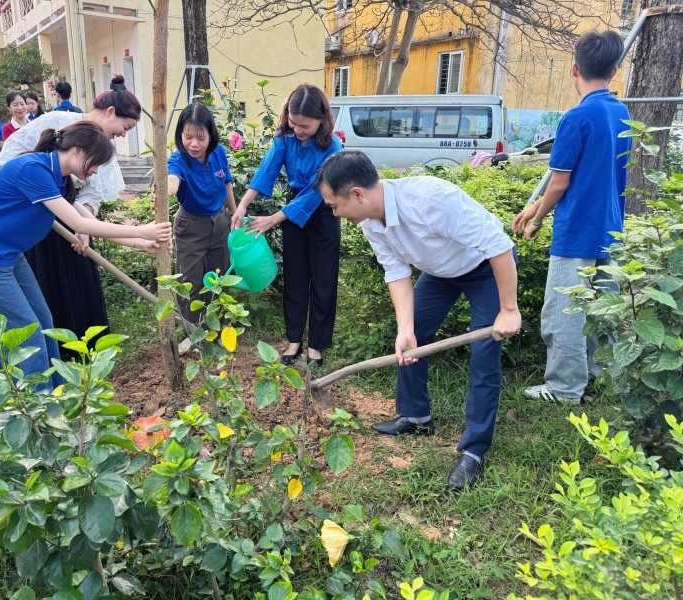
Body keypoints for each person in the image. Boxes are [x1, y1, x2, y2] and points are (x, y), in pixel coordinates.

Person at [316, 150, 522, 490]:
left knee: (485, 351)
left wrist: (509, 310)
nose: (334, 213)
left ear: (357, 194)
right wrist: (405, 328)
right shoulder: (370, 222)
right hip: (440, 272)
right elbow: (396, 271)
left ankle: (473, 451)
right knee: (412, 338)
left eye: (334, 206)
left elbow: (498, 246)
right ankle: (415, 416)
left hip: (486, 266)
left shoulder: (430, 199)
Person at [0, 121, 172, 389]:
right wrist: (144, 231)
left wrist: (140, 242)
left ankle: (54, 393)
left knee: (44, 323)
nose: (95, 170)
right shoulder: (33, 169)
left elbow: (85, 220)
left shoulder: (60, 179)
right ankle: (35, 403)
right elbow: (79, 225)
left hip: (9, 253)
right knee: (25, 333)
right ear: (78, 151)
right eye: (96, 163)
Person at [513, 30, 631, 404]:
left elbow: (560, 184)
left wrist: (536, 220)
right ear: (614, 71)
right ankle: (606, 381)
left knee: (565, 313)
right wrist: (534, 207)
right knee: (604, 310)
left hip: (577, 231)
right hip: (610, 229)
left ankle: (565, 388)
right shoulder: (621, 112)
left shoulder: (576, 118)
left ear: (574, 68)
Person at [0, 75, 143, 341]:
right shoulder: (57, 124)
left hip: (77, 222)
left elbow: (91, 194)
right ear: (110, 112)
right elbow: (14, 161)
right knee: (49, 290)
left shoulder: (104, 147)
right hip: (44, 222)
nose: (124, 134)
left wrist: (83, 226)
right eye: (126, 126)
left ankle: (86, 349)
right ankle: (56, 348)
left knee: (80, 287)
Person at [231, 83, 343, 367]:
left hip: (324, 208)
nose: (298, 130)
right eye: (293, 122)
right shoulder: (285, 138)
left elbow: (316, 190)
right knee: (295, 277)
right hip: (292, 210)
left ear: (322, 119)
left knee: (323, 279)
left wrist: (274, 219)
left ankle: (316, 345)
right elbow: (265, 171)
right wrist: (242, 205)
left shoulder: (333, 146)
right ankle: (294, 341)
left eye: (305, 125)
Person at [168, 103, 237, 324]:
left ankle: (218, 328)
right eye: (188, 137)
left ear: (211, 135)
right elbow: (172, 180)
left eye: (201, 138)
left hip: (220, 223)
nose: (194, 144)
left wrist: (235, 214)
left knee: (219, 279)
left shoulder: (218, 153)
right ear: (180, 134)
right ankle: (193, 330)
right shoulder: (178, 160)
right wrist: (166, 188)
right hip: (191, 226)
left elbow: (227, 183)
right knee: (190, 283)